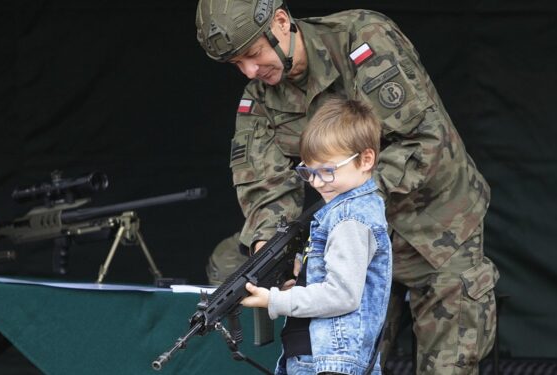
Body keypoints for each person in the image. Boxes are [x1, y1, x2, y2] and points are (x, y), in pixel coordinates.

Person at [195, 1, 499, 373]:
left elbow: (425, 141)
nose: (250, 70)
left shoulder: (362, 40)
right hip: (353, 251)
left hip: (436, 228)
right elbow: (263, 184)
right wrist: (269, 248)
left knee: (449, 365)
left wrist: (352, 198)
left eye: (254, 54)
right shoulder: (259, 100)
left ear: (280, 21)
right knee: (345, 363)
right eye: (236, 64)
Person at [241, 98, 391, 375]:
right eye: (309, 172)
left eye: (327, 171)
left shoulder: (349, 219)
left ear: (366, 159)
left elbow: (341, 295)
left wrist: (274, 300)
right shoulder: (342, 213)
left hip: (329, 363)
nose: (317, 182)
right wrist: (298, 285)